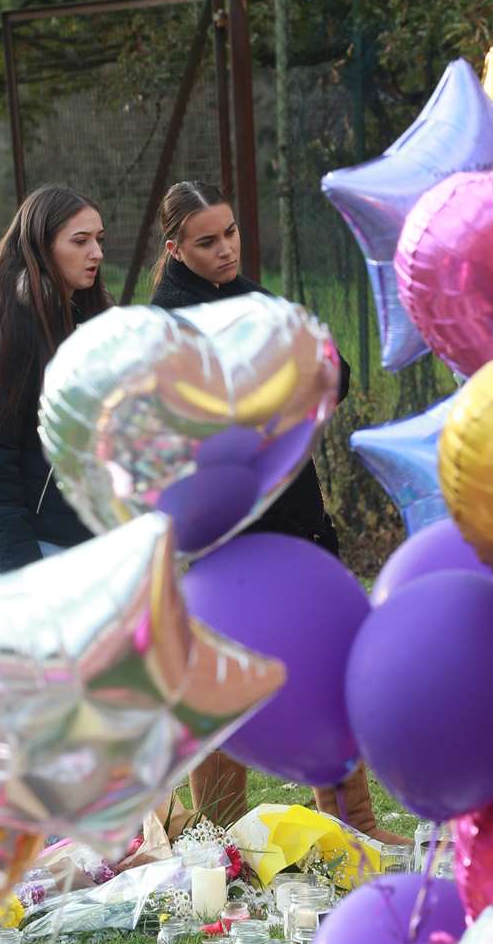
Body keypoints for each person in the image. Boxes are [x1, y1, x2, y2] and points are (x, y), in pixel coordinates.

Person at [150, 180, 408, 845]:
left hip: (297, 525)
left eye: (231, 233)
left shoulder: (254, 299)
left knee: (324, 670)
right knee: (223, 691)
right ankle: (218, 843)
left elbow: (335, 372)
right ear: (175, 248)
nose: (226, 249)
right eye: (207, 241)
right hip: (224, 542)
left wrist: (308, 376)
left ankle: (357, 830)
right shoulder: (166, 324)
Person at [0, 185, 109, 575]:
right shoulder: (11, 326)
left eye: (98, 239)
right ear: (43, 247)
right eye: (80, 241)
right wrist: (24, 575)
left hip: (90, 546)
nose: (97, 253)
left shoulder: (87, 320)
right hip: (33, 551)